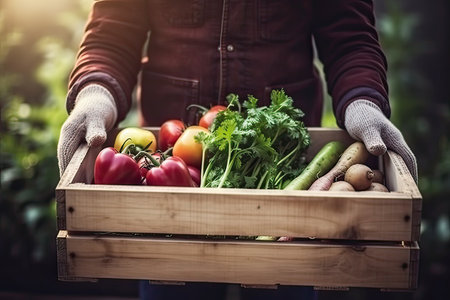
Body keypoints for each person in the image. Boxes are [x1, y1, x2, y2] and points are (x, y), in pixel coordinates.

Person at [57, 1, 418, 299]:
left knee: (285, 286)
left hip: (285, 181)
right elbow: (112, 33)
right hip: (172, 184)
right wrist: (95, 93)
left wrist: (363, 102)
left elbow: (350, 38)